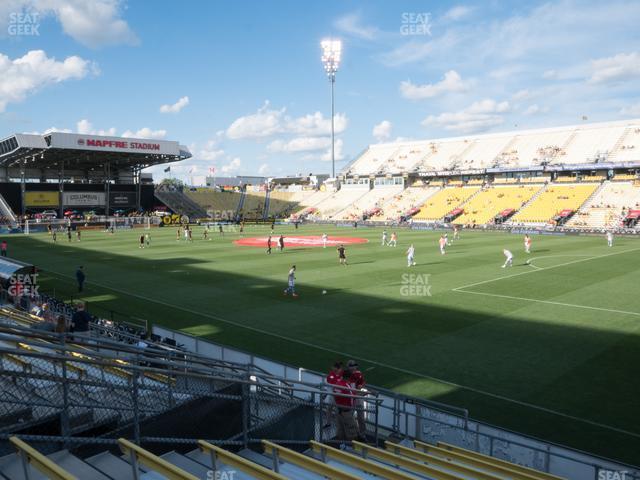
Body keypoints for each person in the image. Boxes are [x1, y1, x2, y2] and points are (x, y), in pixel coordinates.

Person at [333, 369, 358, 444]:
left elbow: (334, 395)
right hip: (346, 411)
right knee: (351, 429)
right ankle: (350, 447)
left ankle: (342, 446)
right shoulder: (346, 386)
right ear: (348, 377)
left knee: (340, 429)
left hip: (338, 410)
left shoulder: (337, 383)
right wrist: (364, 394)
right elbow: (353, 396)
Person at [346, 360, 367, 440]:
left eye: (354, 366)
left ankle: (362, 434)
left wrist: (361, 386)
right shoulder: (346, 374)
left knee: (361, 416)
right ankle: (351, 433)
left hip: (357, 396)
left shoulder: (358, 374)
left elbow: (363, 382)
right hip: (349, 397)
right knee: (349, 416)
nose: (353, 367)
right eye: (351, 366)